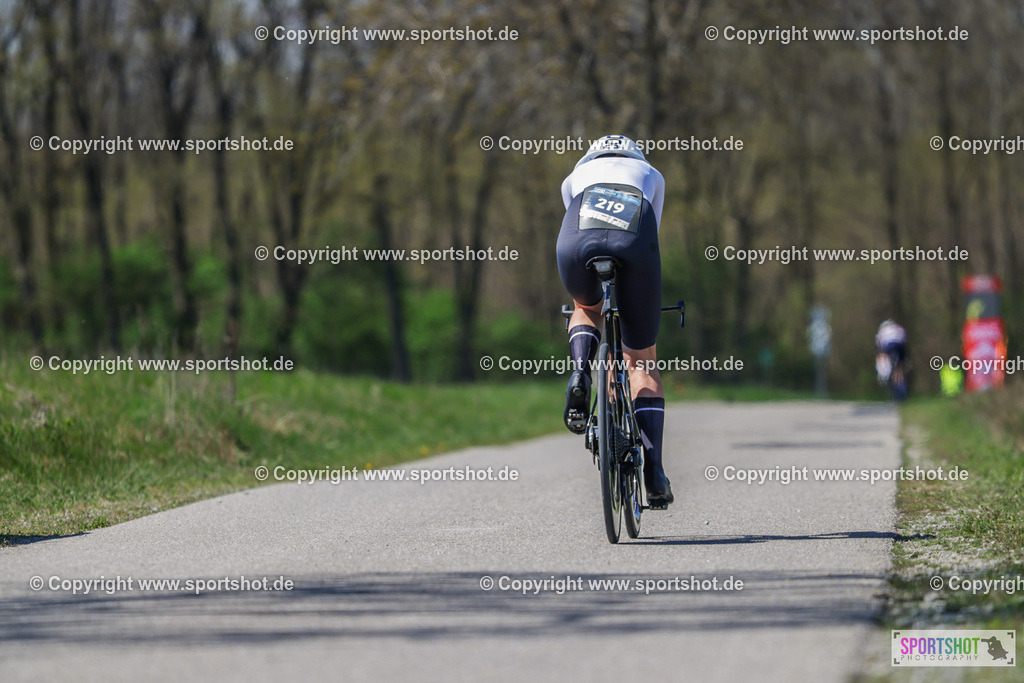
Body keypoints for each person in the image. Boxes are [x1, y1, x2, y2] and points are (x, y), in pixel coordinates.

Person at [556, 134, 672, 506]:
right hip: (634, 243)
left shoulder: (574, 178)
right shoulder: (650, 173)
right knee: (641, 359)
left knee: (586, 306)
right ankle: (653, 471)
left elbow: (582, 226)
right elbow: (651, 229)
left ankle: (581, 372)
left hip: (576, 242)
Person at [875, 319, 907, 398]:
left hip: (888, 346)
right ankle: (900, 378)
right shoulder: (899, 328)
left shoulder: (882, 330)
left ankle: (883, 374)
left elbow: (879, 344)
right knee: (899, 367)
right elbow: (904, 340)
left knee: (882, 356)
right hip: (900, 346)